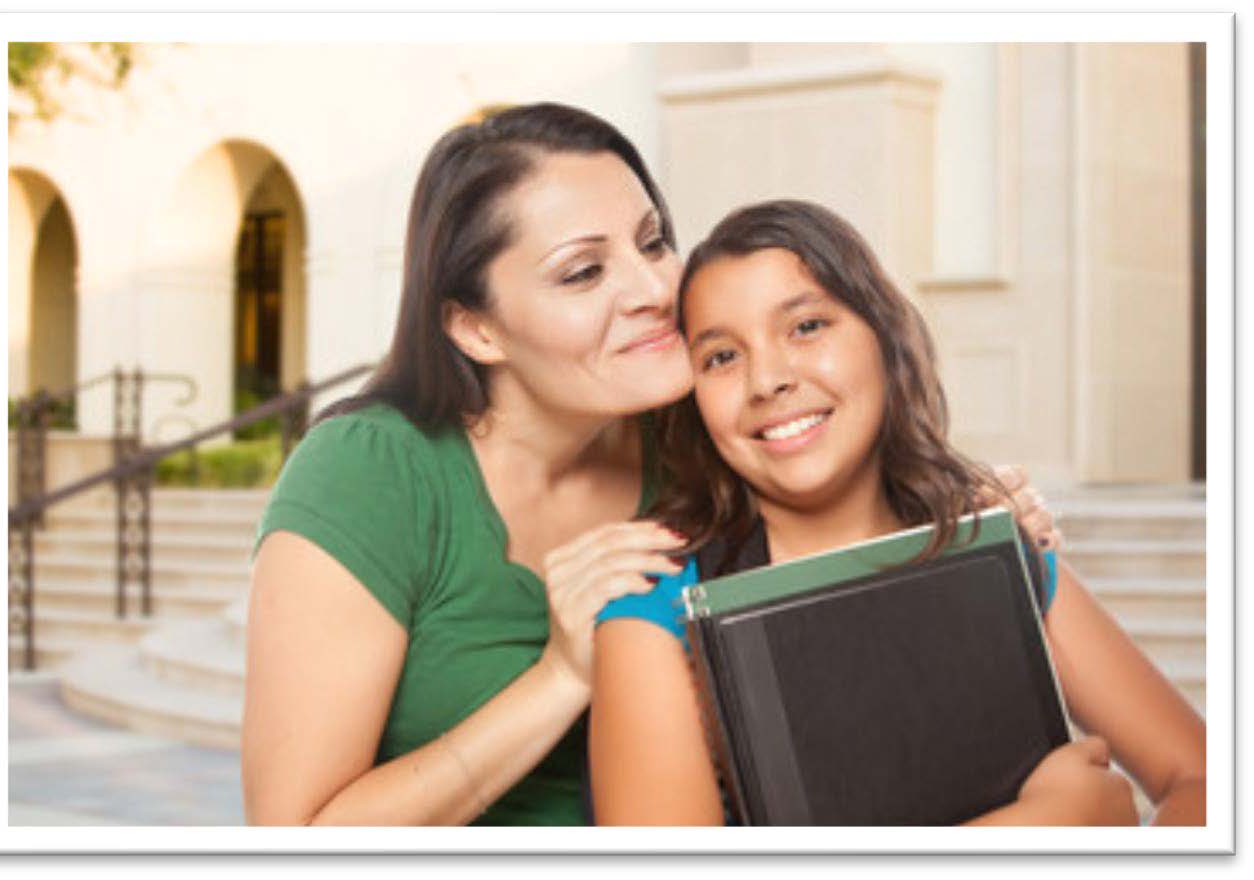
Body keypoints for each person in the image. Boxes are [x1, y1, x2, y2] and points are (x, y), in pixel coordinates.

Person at [241, 104, 1060, 826]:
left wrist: (971, 526)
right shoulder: (371, 472)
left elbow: (854, 524)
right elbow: (297, 837)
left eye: (652, 241)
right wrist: (560, 676)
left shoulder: (700, 435)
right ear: (475, 329)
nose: (654, 289)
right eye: (584, 272)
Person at [589, 200, 1207, 826]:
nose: (767, 380)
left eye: (806, 327)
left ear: (884, 340)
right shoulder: (656, 610)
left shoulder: (994, 551)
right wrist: (1036, 832)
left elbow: (1207, 782)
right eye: (722, 356)